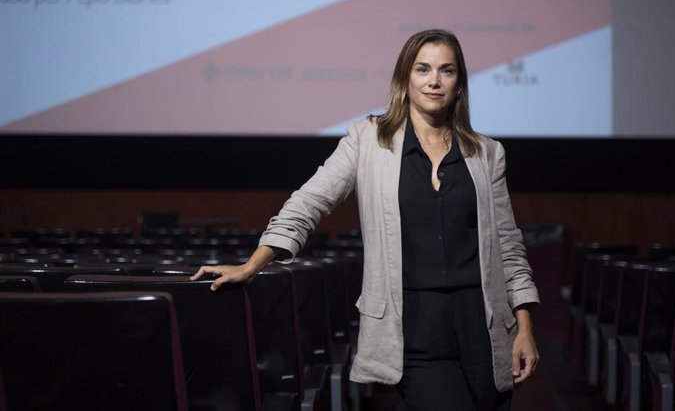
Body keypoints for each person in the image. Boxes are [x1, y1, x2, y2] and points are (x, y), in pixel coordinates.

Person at [191, 29, 540, 410]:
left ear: (459, 84)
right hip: (413, 331)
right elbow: (309, 202)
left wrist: (524, 328)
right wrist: (253, 265)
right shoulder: (367, 140)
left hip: (484, 330)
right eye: (423, 69)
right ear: (405, 78)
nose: (434, 80)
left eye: (447, 70)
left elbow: (508, 246)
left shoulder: (487, 153)